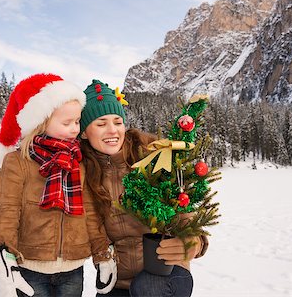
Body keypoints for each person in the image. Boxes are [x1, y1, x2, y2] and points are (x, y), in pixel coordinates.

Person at [0, 73, 116, 297]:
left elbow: (90, 214)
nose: (75, 129)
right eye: (67, 123)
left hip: (73, 270)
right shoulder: (17, 162)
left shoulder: (78, 161)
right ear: (41, 121)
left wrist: (102, 251)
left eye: (76, 122)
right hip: (30, 266)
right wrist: (4, 253)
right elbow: (7, 210)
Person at [79, 79, 209, 297]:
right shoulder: (81, 173)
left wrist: (194, 241)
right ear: (84, 132)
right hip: (118, 282)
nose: (112, 130)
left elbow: (185, 204)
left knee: (147, 287)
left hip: (166, 273)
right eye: (101, 124)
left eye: (118, 122)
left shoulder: (153, 155)